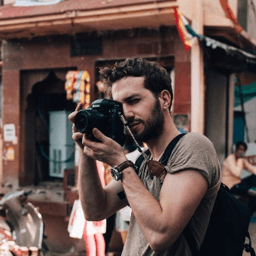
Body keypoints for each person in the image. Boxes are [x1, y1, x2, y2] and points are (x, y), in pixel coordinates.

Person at [69, 58, 221, 256]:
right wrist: (86, 152)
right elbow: (95, 210)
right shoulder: (141, 161)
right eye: (120, 106)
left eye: (133, 101)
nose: (127, 114)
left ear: (165, 99)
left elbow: (161, 236)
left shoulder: (193, 146)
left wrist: (120, 163)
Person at [222, 141, 256, 216]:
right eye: (240, 149)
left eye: (243, 150)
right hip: (229, 186)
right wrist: (240, 160)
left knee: (253, 177)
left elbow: (252, 169)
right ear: (236, 150)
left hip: (237, 184)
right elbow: (236, 173)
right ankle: (247, 214)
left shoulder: (241, 160)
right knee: (251, 194)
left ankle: (253, 191)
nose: (241, 152)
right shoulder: (230, 158)